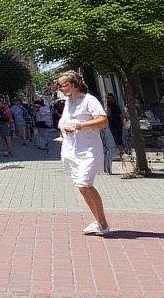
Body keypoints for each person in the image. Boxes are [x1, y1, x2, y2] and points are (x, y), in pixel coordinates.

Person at [56, 71, 111, 236]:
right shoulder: (68, 102)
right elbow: (65, 121)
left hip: (88, 148)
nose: (61, 88)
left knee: (85, 184)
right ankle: (100, 222)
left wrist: (81, 126)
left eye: (64, 85)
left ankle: (103, 223)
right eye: (60, 85)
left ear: (74, 84)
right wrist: (63, 131)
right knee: (82, 187)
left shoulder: (89, 100)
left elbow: (103, 121)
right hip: (72, 149)